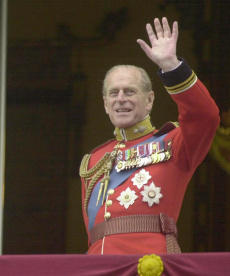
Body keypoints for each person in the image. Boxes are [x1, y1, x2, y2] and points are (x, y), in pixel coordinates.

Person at [79, 17, 219, 254]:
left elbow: (205, 116)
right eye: (113, 93)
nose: (120, 98)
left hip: (150, 262)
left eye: (130, 91)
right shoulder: (93, 161)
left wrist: (172, 66)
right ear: (105, 104)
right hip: (98, 265)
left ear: (150, 100)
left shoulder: (173, 143)